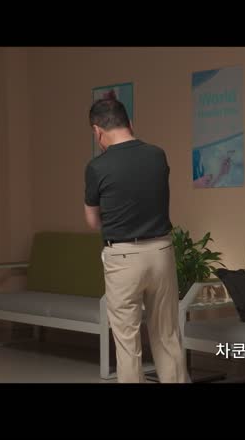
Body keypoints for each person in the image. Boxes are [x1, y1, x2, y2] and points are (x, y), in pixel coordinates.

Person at [83, 98, 189, 383]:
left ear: (97, 131)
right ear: (130, 123)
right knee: (167, 335)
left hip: (122, 257)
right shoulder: (157, 155)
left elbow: (92, 221)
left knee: (128, 342)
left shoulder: (97, 167)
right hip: (161, 251)